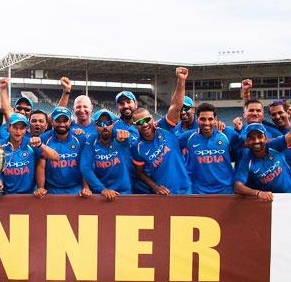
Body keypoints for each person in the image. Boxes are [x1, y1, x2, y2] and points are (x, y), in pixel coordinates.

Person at [234, 105, 291, 201]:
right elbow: (238, 187)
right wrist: (258, 193)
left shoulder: (275, 145)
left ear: (266, 138)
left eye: (260, 137)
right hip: (274, 202)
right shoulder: (247, 160)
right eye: (251, 138)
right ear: (247, 142)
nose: (256, 141)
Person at [130, 67, 191, 195]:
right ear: (135, 126)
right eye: (139, 122)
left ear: (152, 118)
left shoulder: (164, 128)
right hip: (164, 194)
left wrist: (181, 81)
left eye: (146, 120)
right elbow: (140, 173)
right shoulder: (137, 147)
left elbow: (176, 107)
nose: (144, 124)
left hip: (186, 189)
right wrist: (154, 187)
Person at [0, 114, 58, 195]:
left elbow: (55, 157)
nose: (18, 131)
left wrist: (40, 144)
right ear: (9, 128)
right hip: (6, 195)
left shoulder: (31, 144)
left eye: (22, 128)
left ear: (26, 129)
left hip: (29, 196)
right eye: (15, 127)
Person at [177, 103, 243, 194]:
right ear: (197, 120)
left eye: (210, 119)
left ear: (215, 119)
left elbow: (243, 147)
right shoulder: (188, 137)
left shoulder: (227, 133)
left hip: (226, 190)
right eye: (203, 119)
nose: (207, 123)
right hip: (198, 192)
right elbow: (169, 145)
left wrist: (240, 130)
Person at [79, 109, 132, 200]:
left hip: (123, 193)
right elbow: (85, 167)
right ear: (95, 126)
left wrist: (126, 139)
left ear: (113, 124)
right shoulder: (91, 140)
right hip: (101, 194)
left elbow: (126, 141)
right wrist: (102, 189)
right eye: (100, 123)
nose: (105, 126)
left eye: (108, 122)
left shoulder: (120, 136)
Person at [35, 107, 86, 196]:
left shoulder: (80, 138)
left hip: (76, 189)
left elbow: (85, 164)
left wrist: (86, 187)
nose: (62, 124)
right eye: (58, 120)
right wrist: (41, 187)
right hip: (51, 190)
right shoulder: (44, 138)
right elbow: (41, 166)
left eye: (65, 120)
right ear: (52, 122)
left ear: (70, 122)